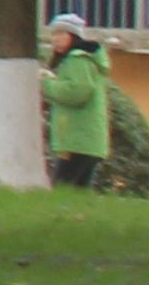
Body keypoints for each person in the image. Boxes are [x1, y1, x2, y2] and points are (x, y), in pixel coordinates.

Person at [41, 13, 115, 190]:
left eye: (61, 33)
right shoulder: (84, 59)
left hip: (77, 140)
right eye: (54, 34)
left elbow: (77, 92)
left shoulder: (77, 59)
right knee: (77, 192)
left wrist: (46, 84)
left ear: (73, 36)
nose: (55, 39)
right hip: (85, 140)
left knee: (62, 189)